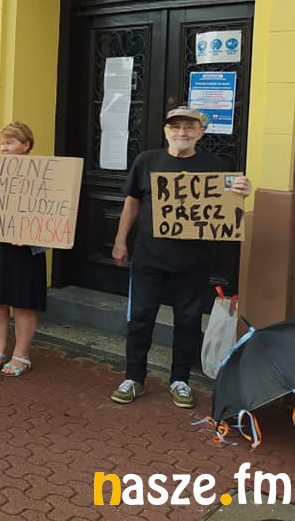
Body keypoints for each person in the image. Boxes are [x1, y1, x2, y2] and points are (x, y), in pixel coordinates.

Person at [110, 107, 252, 408]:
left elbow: (231, 204)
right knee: (140, 318)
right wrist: (120, 241)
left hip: (193, 259)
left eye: (189, 127)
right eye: (175, 127)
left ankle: (180, 380)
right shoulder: (147, 161)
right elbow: (131, 203)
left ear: (200, 132)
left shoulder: (216, 165)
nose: (182, 133)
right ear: (166, 131)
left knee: (188, 321)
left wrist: (243, 191)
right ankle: (134, 377)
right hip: (149, 256)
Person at [0, 122, 45, 376]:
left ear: (26, 145)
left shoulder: (43, 175)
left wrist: (31, 235)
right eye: (3, 143)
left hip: (25, 251)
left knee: (23, 303)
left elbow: (53, 215)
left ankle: (22, 355)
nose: (4, 147)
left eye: (10, 142)